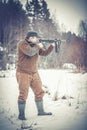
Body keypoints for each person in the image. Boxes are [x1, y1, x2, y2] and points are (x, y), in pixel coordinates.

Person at [16, 31, 55, 120]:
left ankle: (41, 112)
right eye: (36, 38)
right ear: (30, 38)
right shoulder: (22, 44)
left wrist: (52, 46)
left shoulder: (36, 45)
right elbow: (30, 52)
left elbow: (44, 53)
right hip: (23, 73)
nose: (37, 39)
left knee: (39, 92)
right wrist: (38, 46)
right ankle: (21, 115)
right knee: (23, 94)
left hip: (34, 72)